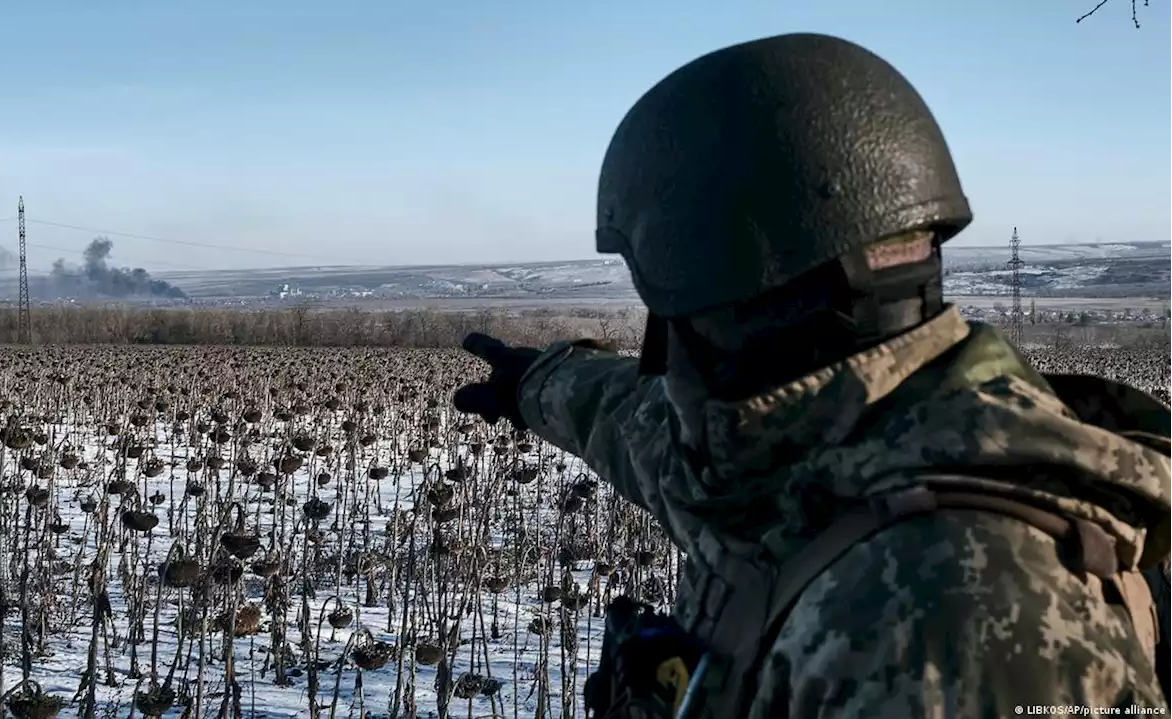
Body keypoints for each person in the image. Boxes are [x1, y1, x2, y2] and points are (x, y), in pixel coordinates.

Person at [453, 32, 1172, 717]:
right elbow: (637, 426)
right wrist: (535, 382)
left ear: (719, 282)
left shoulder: (952, 616)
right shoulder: (794, 452)